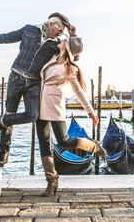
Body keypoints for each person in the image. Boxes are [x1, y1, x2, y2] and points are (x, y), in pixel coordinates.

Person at [0, 12, 83, 167]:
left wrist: (73, 35)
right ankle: (3, 154)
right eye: (60, 29)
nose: (61, 33)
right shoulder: (29, 30)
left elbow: (75, 57)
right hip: (16, 77)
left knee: (33, 115)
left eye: (63, 31)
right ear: (51, 24)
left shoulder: (57, 44)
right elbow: (6, 37)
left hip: (35, 83)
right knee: (10, 114)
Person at [37, 39, 106, 196]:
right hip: (40, 104)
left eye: (64, 41)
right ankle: (52, 181)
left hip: (55, 105)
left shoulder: (69, 68)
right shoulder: (51, 57)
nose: (60, 41)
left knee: (64, 141)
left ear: (67, 47)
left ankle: (95, 147)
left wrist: (90, 111)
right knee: (44, 143)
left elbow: (78, 91)